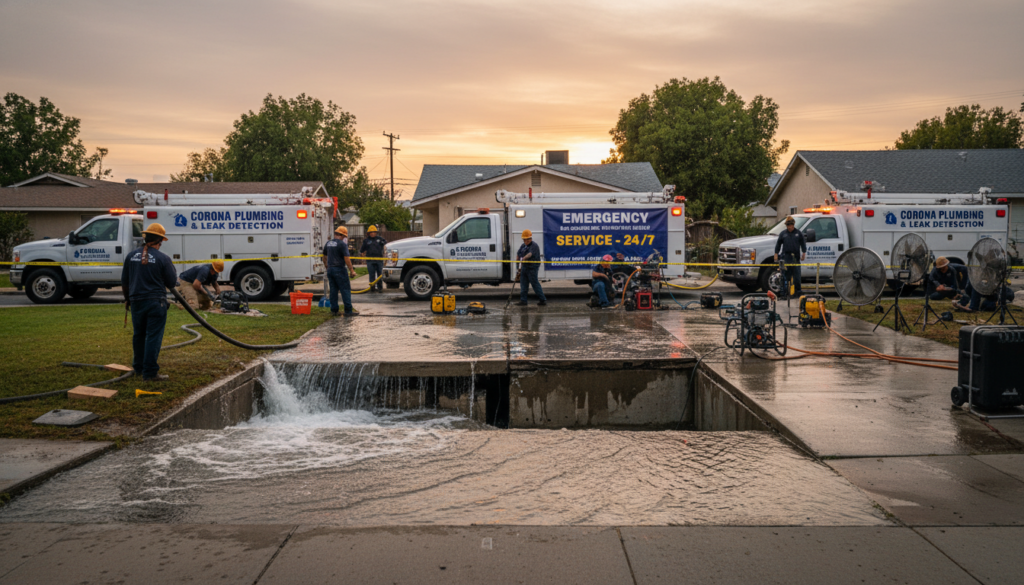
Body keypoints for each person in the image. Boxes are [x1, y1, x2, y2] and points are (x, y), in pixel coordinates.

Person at [121, 223, 177, 382]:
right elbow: (171, 282)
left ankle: (139, 368)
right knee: (153, 336)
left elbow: (125, 282)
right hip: (155, 303)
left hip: (136, 302)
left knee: (139, 335)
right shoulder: (163, 258)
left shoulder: (131, 256)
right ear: (159, 241)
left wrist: (128, 299)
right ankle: (150, 373)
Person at [323, 226, 359, 316]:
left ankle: (334, 310)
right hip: (339, 269)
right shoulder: (342, 244)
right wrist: (352, 270)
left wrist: (327, 267)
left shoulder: (328, 243)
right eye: (344, 236)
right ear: (342, 235)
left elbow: (324, 257)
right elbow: (347, 258)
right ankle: (348, 311)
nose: (344, 238)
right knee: (345, 289)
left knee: (333, 290)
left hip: (330, 269)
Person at [773, 216, 806, 297]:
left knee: (797, 277)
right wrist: (776, 253)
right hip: (786, 257)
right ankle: (784, 293)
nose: (789, 227)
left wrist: (804, 253)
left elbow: (803, 243)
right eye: (788, 225)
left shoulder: (798, 233)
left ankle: (797, 293)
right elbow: (778, 244)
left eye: (791, 225)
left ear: (793, 225)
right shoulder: (783, 234)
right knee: (785, 277)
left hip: (795, 257)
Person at [516, 229, 547, 307]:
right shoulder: (523, 246)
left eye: (527, 239)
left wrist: (523, 258)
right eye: (525, 239)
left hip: (532, 267)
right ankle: (523, 300)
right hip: (524, 267)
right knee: (523, 284)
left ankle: (542, 299)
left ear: (530, 238)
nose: (526, 241)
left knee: (534, 283)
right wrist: (518, 264)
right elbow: (518, 254)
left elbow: (530, 254)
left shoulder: (534, 246)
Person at [360, 225, 387, 292]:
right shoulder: (366, 241)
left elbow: (386, 244)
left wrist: (384, 250)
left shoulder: (380, 239)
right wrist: (362, 256)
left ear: (376, 232)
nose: (373, 233)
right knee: (371, 274)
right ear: (368, 233)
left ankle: (380, 288)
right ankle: (372, 288)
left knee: (379, 274)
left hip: (379, 260)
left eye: (374, 232)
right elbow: (362, 250)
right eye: (371, 232)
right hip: (370, 260)